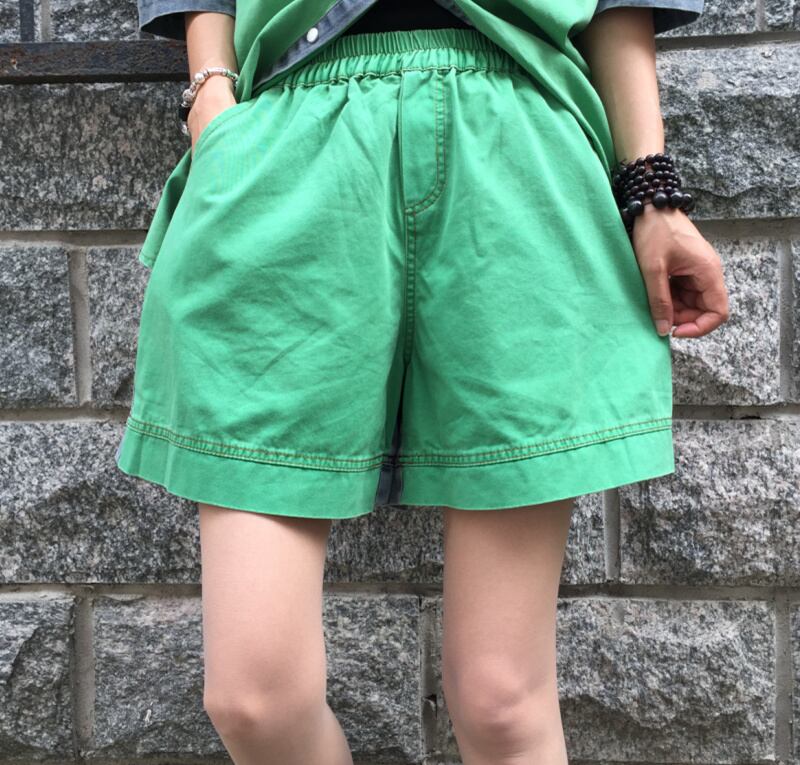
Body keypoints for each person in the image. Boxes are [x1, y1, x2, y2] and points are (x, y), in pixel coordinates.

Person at [117, 0, 728, 762]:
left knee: (502, 700)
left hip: (515, 140)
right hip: (291, 132)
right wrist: (212, 95)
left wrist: (652, 193)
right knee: (255, 697)